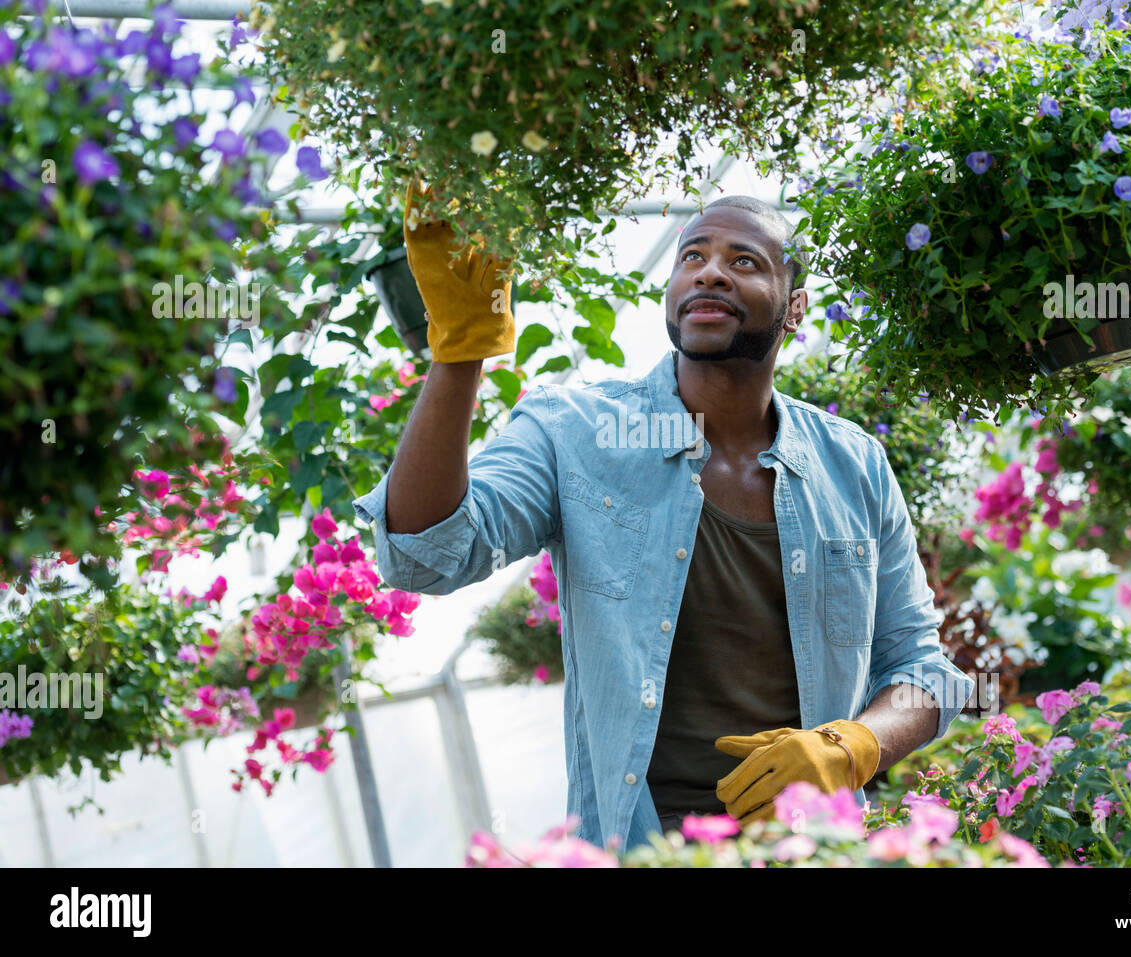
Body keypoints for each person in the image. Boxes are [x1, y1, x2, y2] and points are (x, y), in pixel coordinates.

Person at [352, 181, 974, 853]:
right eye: (692, 256)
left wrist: (849, 744)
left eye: (744, 261)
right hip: (640, 850)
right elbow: (424, 553)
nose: (709, 269)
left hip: (813, 848)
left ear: (794, 309)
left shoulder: (856, 467)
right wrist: (457, 358)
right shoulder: (574, 431)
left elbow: (922, 669)